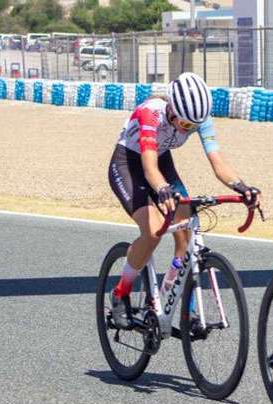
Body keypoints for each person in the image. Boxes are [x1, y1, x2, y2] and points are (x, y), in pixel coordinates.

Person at [107, 72, 261, 327]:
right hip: (129, 163)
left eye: (194, 126)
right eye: (186, 125)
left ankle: (174, 301)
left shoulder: (199, 118)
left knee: (185, 234)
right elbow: (149, 167)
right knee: (154, 231)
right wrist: (162, 189)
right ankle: (120, 292)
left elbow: (217, 162)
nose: (188, 129)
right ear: (172, 110)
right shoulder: (150, 114)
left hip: (162, 160)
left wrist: (241, 186)